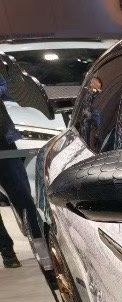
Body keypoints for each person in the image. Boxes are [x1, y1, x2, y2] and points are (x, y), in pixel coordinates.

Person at [0, 71, 44, 268]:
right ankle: (7, 251)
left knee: (23, 197)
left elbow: (4, 87)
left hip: (3, 142)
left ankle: (41, 245)